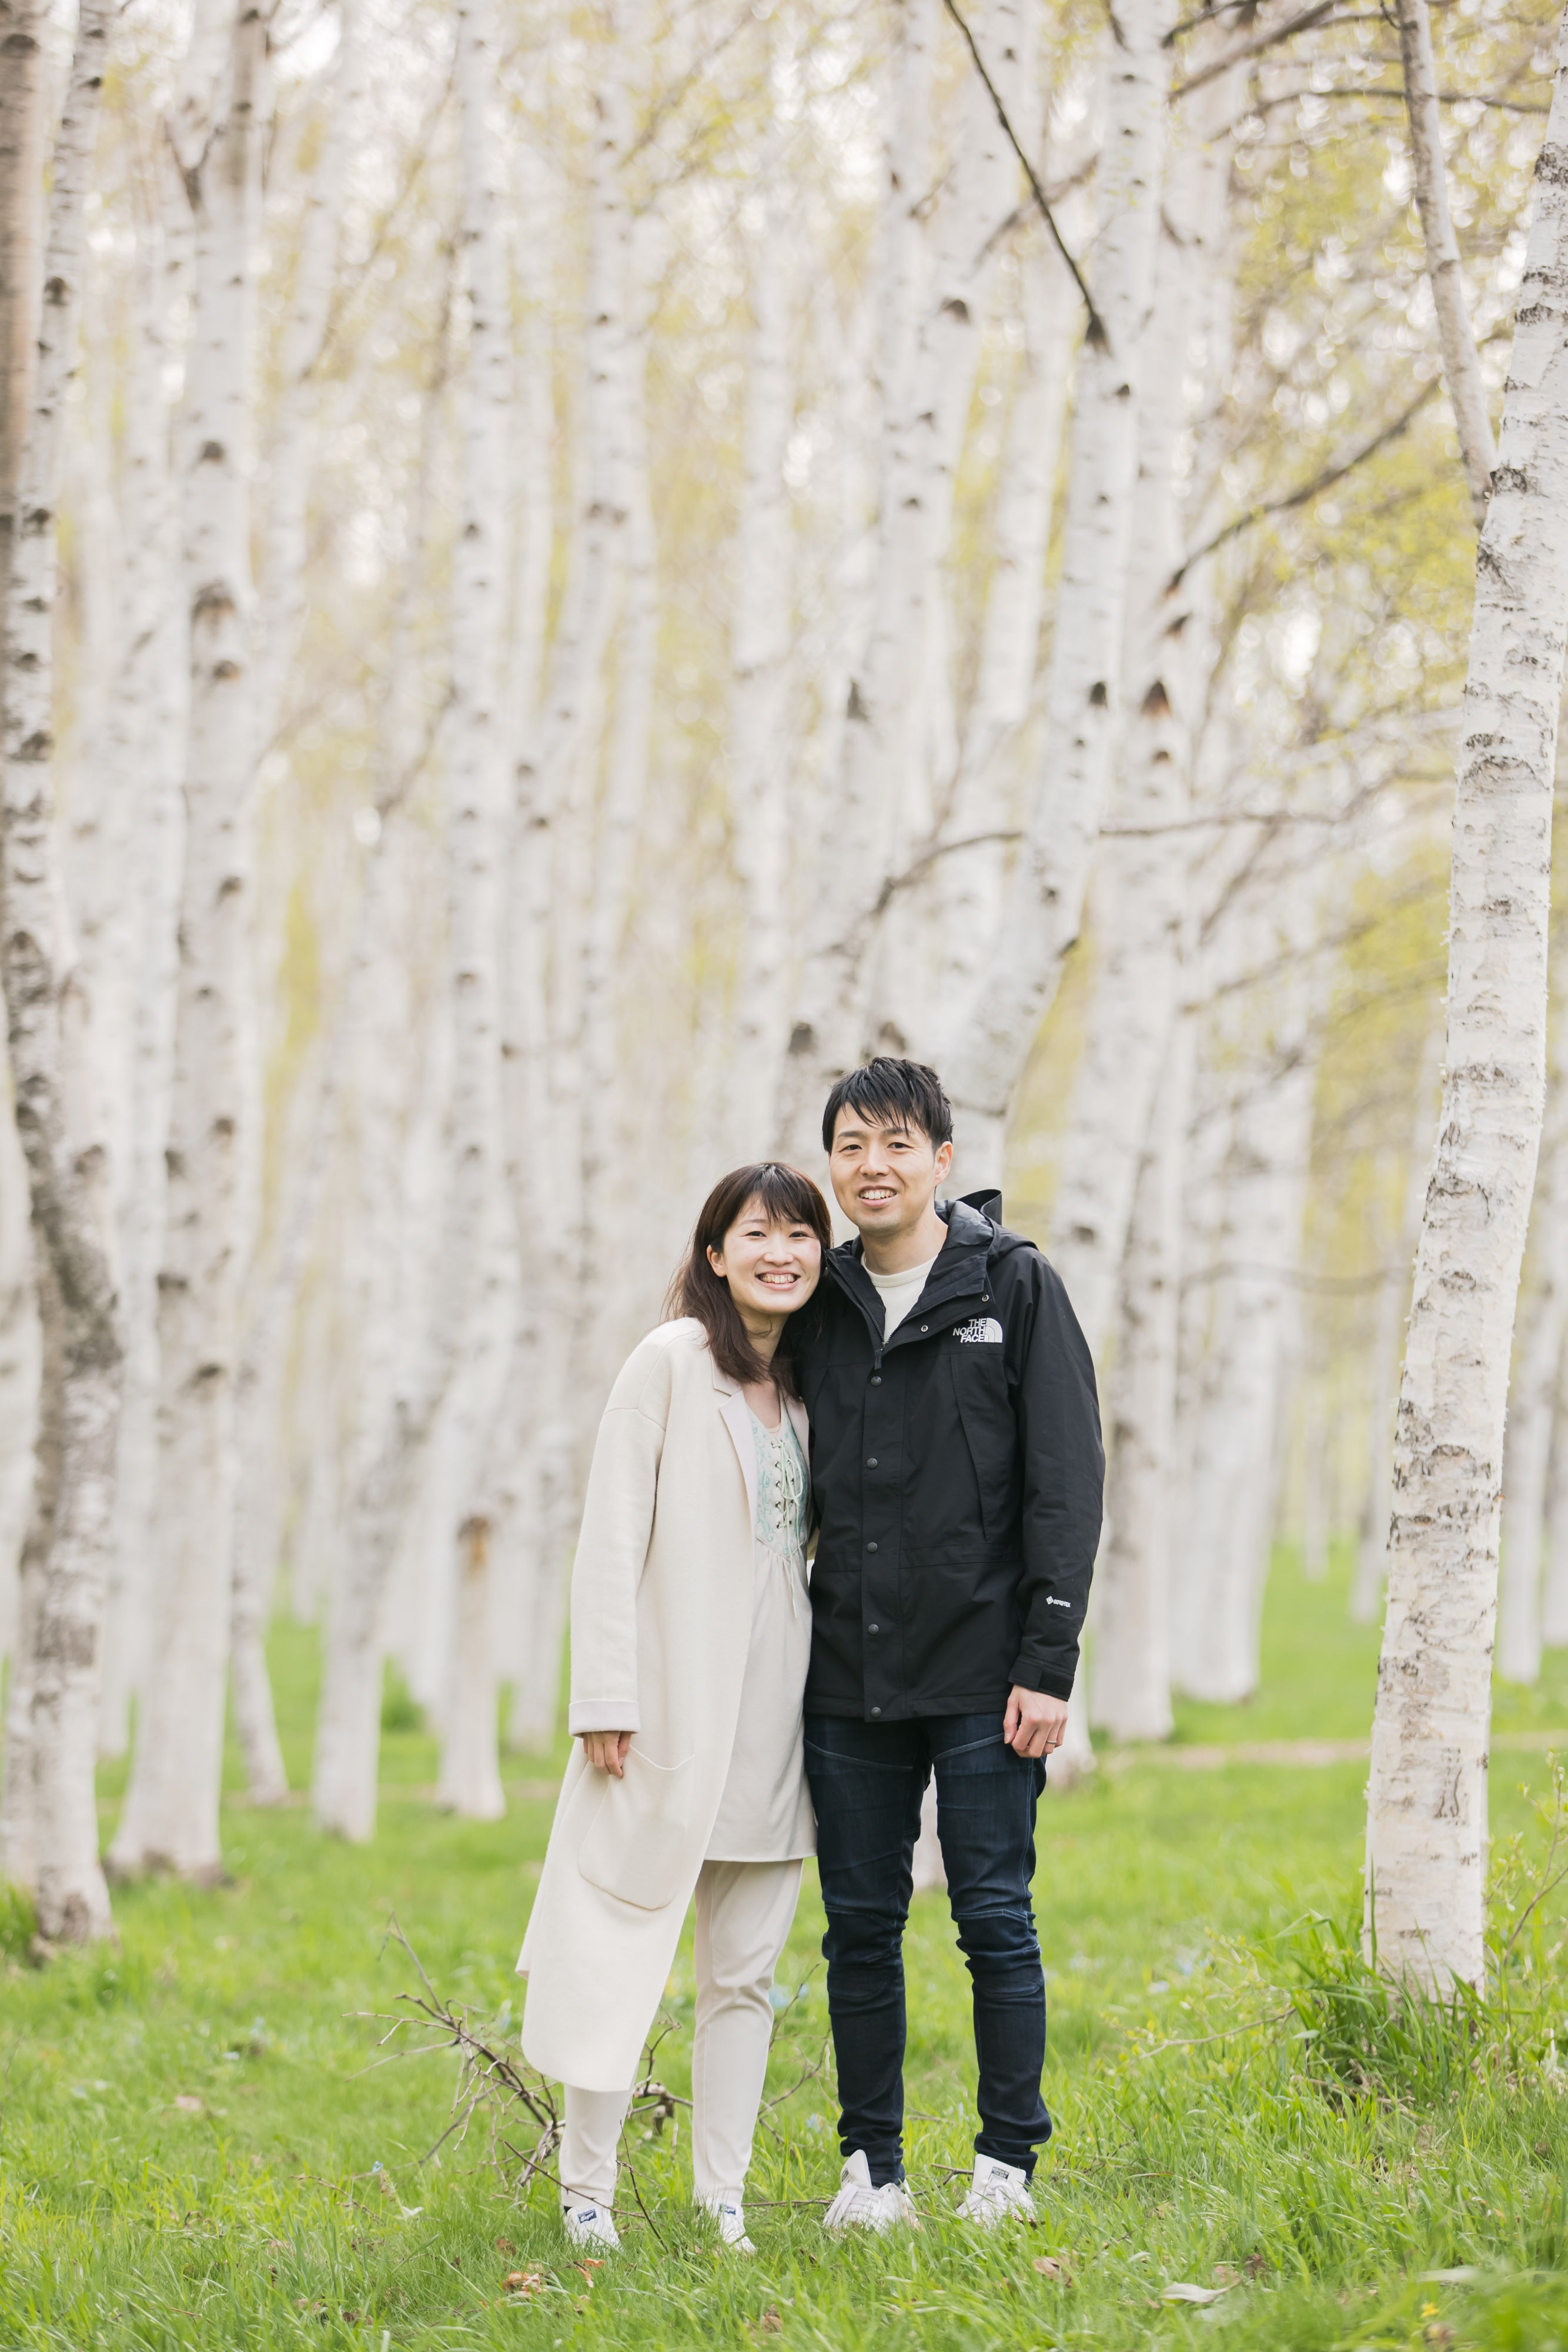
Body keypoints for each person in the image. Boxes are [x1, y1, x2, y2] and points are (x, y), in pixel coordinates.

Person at [791, 1056, 1103, 2234]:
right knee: (859, 1930)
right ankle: (870, 2172)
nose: (872, 1167)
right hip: (847, 1674)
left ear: (942, 1161)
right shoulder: (818, 1301)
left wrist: (1048, 1663)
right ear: (833, 1164)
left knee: (993, 1919)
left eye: (895, 1145)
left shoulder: (1012, 1284)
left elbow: (1066, 1482)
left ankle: (1004, 2167)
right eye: (851, 1146)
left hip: (987, 1671)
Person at [517, 1162, 833, 2255]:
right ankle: (587, 2196)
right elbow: (610, 1536)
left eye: (801, 1236)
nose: (780, 1254)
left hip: (778, 1722)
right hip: (664, 1714)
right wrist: (606, 1696)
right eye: (758, 1235)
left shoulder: (811, 1386)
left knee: (744, 1975)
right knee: (619, 1948)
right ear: (715, 1254)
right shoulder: (669, 1362)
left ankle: (722, 2199)